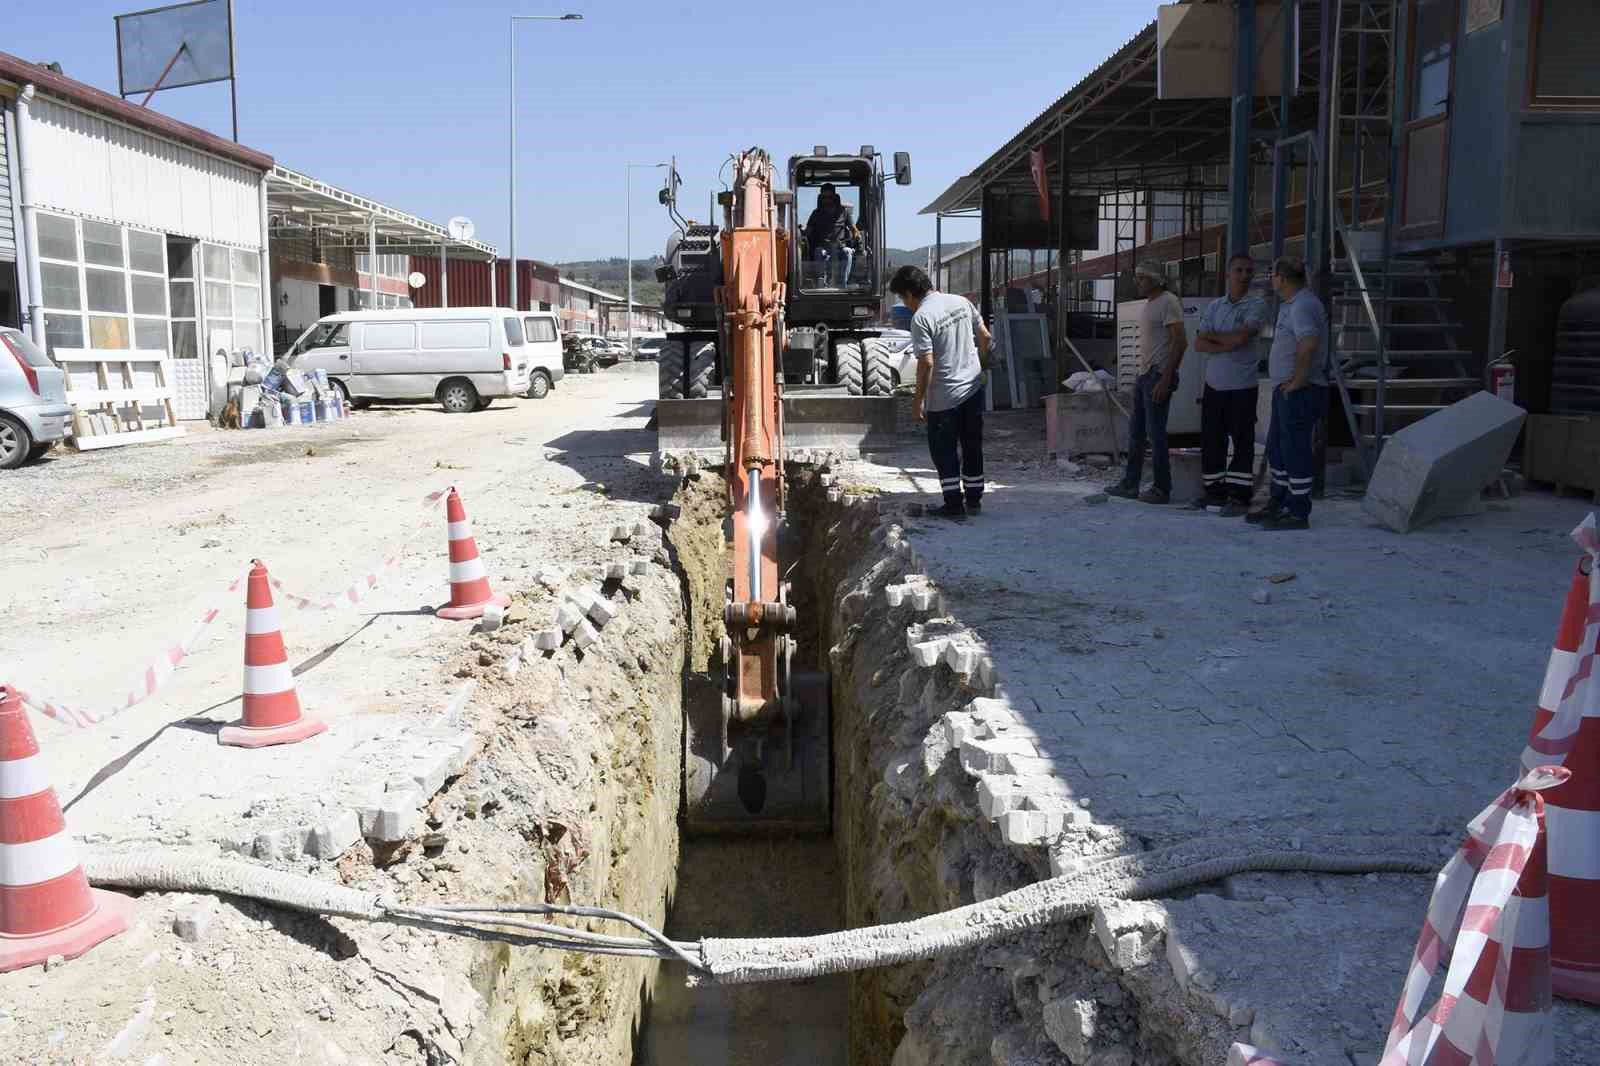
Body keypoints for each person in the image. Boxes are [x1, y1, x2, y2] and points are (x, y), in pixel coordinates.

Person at [890, 264, 992, 518]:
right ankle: (974, 501)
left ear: (910, 293)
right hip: (973, 390)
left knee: (943, 450)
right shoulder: (961, 302)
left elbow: (926, 363)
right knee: (972, 445)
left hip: (945, 398)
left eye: (903, 298)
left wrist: (918, 401)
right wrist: (979, 368)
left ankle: (954, 506)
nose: (906, 304)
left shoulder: (922, 317)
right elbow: (986, 338)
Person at [1251, 255, 1328, 531]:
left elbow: (1308, 344)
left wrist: (1297, 381)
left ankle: (1298, 511)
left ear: (1282, 278)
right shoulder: (1292, 304)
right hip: (1286, 389)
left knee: (1295, 450)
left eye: (1273, 275)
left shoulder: (1303, 305)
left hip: (1299, 391)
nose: (1271, 279)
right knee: (1278, 448)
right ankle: (1280, 502)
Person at [1191, 254, 1266, 515]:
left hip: (1242, 386)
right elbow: (1198, 344)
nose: (1244, 275)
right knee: (1212, 439)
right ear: (1228, 274)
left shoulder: (1255, 306)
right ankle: (1214, 492)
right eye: (1239, 270)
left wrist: (1213, 337)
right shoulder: (1215, 307)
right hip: (1214, 385)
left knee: (1242, 441)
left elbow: (1242, 339)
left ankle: (1239, 496)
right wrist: (1227, 340)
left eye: (1248, 271)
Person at [1107, 261, 1186, 504]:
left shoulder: (1169, 301)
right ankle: (1131, 484)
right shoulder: (1149, 304)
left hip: (1157, 375)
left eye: (1142, 277)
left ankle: (1162, 488)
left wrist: (1166, 378)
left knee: (1156, 434)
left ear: (1156, 279)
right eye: (1137, 277)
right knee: (1137, 433)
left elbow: (1180, 342)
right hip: (1145, 375)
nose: (1137, 281)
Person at [804, 185, 848, 288]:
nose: (827, 200)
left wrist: (856, 233)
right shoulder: (816, 213)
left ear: (834, 197)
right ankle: (821, 282)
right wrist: (802, 235)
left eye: (829, 197)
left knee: (848, 252)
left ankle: (843, 283)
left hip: (840, 246)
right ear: (821, 198)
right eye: (824, 198)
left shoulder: (843, 212)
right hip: (823, 246)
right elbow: (808, 231)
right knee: (819, 252)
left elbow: (853, 227)